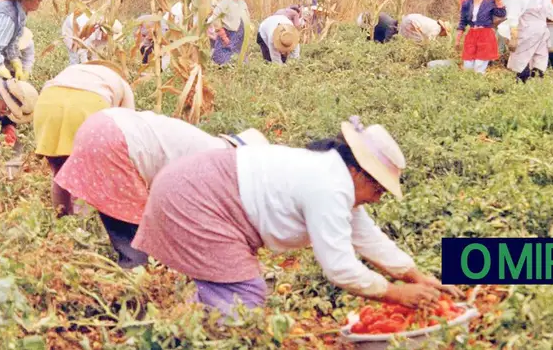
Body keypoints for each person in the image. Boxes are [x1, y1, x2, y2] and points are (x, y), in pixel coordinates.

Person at [132, 117, 462, 319]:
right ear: (356, 173)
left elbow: (367, 237)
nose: (378, 199)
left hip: (194, 187)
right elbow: (340, 268)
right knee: (243, 295)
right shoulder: (329, 186)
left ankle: (184, 326)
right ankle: (209, 336)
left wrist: (417, 277)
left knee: (224, 288)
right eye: (379, 189)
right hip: (196, 199)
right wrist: (395, 293)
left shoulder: (335, 178)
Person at [52, 107, 269, 268]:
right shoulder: (213, 163)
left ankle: (63, 242)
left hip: (100, 123)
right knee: (137, 249)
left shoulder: (206, 145)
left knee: (131, 226)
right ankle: (129, 298)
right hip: (116, 142)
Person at [33, 61, 136, 198]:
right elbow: (128, 126)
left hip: (47, 103)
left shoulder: (73, 70)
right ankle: (84, 218)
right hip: (87, 104)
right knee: (88, 173)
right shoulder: (121, 83)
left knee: (59, 171)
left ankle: (61, 216)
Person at [455, 0, 507, 74]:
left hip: (486, 35)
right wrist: (457, 40)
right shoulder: (466, 4)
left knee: (479, 65)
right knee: (468, 65)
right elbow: (462, 22)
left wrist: (499, 1)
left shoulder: (490, 1)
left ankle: (478, 86)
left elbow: (502, 14)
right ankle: (468, 86)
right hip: (472, 35)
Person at [208, 0, 250, 65]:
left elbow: (247, 18)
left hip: (240, 36)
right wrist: (223, 36)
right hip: (228, 35)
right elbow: (215, 18)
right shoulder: (224, 2)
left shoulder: (242, 3)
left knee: (240, 61)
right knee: (225, 62)